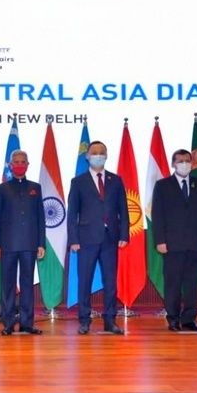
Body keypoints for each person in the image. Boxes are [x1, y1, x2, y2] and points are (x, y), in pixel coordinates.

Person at [66, 141, 129, 335]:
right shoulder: (78, 182)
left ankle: (110, 321)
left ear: (106, 156)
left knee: (110, 282)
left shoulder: (116, 180)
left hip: (111, 239)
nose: (98, 155)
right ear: (87, 157)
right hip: (86, 239)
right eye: (94, 152)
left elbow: (123, 210)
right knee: (84, 281)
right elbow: (72, 213)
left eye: (102, 152)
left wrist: (124, 234)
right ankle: (84, 320)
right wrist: (73, 239)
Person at [152, 149, 197, 332]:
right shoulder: (162, 186)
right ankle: (173, 319)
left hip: (195, 243)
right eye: (180, 161)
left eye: (187, 160)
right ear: (173, 164)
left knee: (192, 284)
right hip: (172, 244)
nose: (184, 164)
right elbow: (158, 215)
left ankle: (188, 319)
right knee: (172, 284)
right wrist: (160, 241)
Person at [0, 150, 46, 336]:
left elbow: (40, 217)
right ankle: (8, 323)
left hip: (30, 244)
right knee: (7, 285)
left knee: (27, 285)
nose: (20, 165)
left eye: (23, 162)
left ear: (28, 165)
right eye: (16, 162)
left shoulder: (35, 188)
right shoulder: (3, 188)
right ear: (10, 165)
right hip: (7, 244)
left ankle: (26, 323)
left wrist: (41, 243)